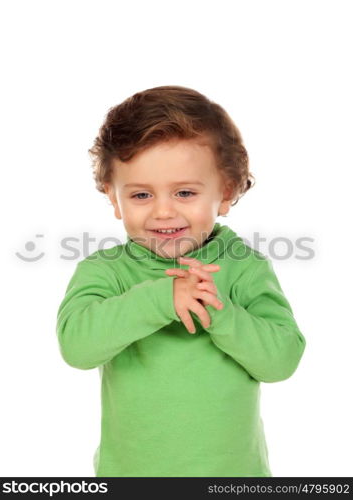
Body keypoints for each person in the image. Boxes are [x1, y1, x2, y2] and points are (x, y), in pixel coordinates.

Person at [56, 85, 306, 477]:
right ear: (112, 197)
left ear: (225, 193)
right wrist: (160, 298)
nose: (163, 211)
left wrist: (218, 311)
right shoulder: (105, 271)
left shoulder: (245, 267)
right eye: (140, 195)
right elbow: (77, 348)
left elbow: (281, 361)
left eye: (185, 192)